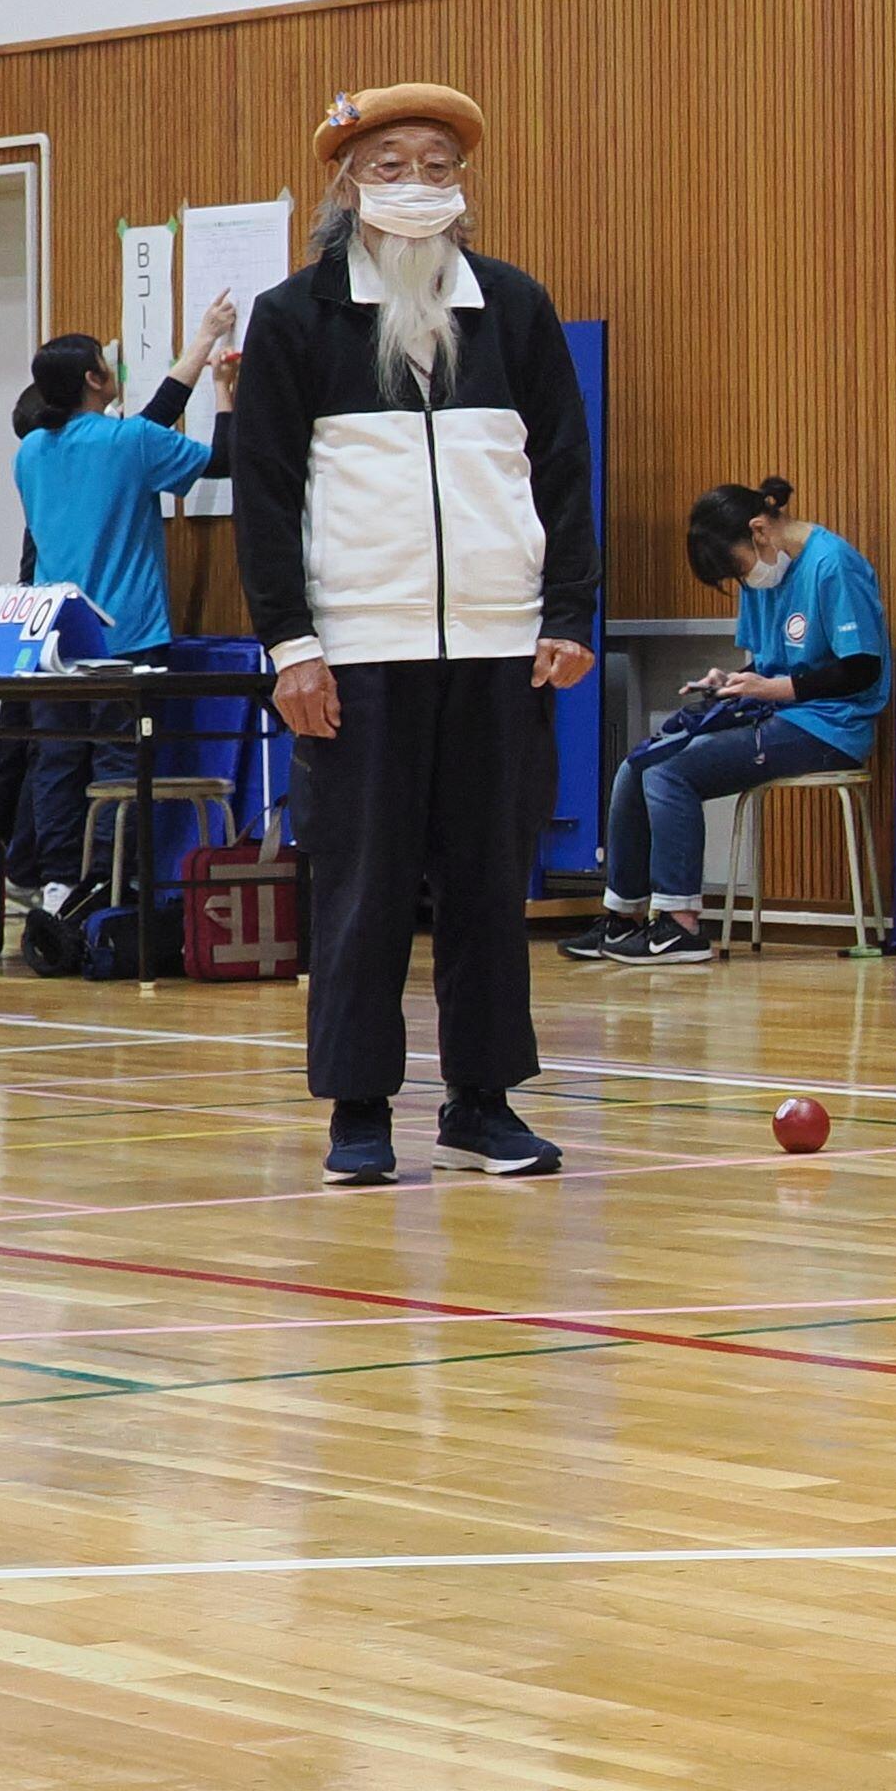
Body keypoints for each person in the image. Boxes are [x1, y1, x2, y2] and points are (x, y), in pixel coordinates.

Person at [221, 86, 601, 1184]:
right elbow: (266, 495)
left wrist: (569, 614)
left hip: (497, 644)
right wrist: (290, 645)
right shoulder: (296, 318)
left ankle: (483, 1103)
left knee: (490, 883)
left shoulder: (516, 311)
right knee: (361, 884)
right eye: (390, 164)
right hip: (355, 652)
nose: (417, 184)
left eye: (437, 163)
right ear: (347, 186)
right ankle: (359, 1111)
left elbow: (566, 472)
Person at [575, 477, 886, 965]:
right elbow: (767, 665)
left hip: (830, 725)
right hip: (776, 707)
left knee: (672, 774)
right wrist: (730, 679)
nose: (743, 581)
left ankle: (679, 924)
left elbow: (863, 668)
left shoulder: (833, 565)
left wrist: (773, 688)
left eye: (737, 567)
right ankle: (622, 916)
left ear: (760, 530)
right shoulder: (761, 576)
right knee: (639, 763)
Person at [4, 300, 241, 913]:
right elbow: (221, 460)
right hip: (126, 638)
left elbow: (142, 427)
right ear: (93, 380)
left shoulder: (29, 453)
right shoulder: (128, 442)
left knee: (57, 762)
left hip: (54, 641)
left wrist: (201, 340)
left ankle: (58, 887)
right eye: (105, 362)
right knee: (119, 766)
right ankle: (111, 886)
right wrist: (222, 391)